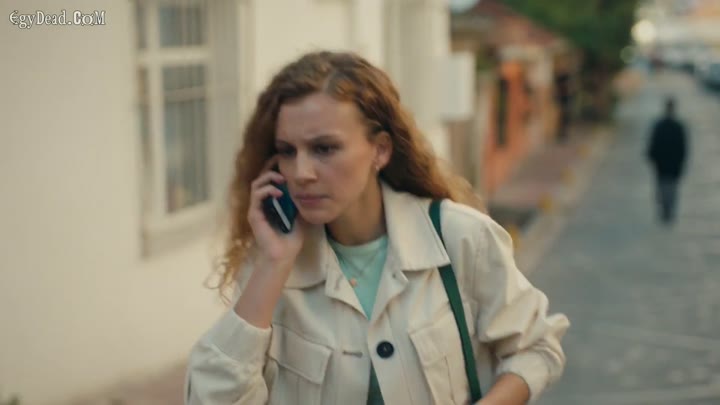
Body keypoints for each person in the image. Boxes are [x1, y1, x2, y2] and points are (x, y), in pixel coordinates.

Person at [185, 51, 569, 405]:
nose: (301, 173)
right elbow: (211, 398)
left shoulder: (460, 237)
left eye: (324, 148)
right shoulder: (270, 267)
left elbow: (536, 348)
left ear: (380, 150)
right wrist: (273, 263)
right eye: (287, 151)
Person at [647, 97, 688, 224]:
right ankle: (668, 208)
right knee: (671, 188)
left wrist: (653, 157)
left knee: (664, 187)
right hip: (671, 164)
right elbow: (683, 148)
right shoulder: (677, 127)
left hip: (663, 164)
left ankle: (666, 208)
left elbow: (653, 145)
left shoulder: (661, 126)